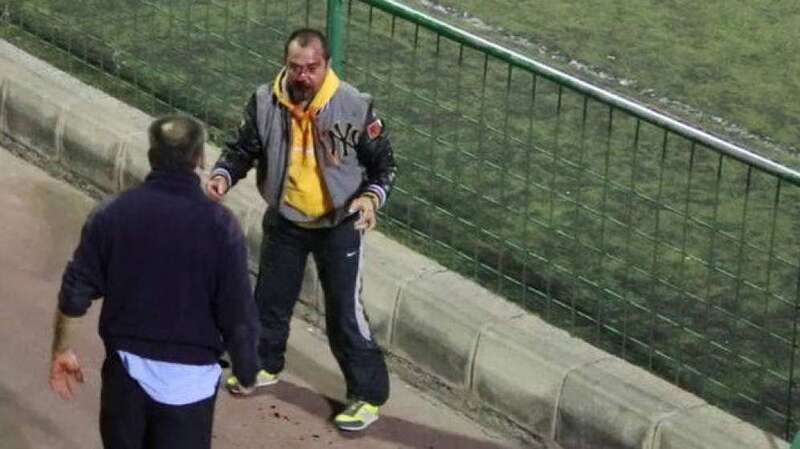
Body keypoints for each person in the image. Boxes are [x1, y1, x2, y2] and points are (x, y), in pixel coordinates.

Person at [207, 28, 397, 431]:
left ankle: (367, 395)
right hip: (287, 220)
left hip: (339, 225)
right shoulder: (264, 101)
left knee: (344, 313)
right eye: (296, 67)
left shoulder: (355, 107)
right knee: (270, 300)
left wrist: (369, 198)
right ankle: (260, 365)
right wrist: (223, 175)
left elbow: (384, 167)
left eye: (312, 68)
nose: (303, 76)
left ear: (327, 65)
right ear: (286, 64)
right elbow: (243, 148)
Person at [49, 115, 260, 449]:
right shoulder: (221, 227)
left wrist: (61, 349)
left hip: (125, 378)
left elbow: (75, 291)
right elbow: (238, 313)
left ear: (152, 156)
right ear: (200, 159)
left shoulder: (113, 213)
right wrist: (247, 370)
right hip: (190, 390)